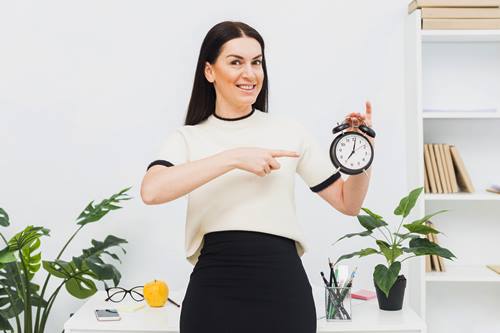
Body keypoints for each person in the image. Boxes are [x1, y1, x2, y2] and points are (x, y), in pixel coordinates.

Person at [140, 21, 373, 333]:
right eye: (236, 62)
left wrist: (361, 156)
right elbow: (152, 191)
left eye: (257, 62)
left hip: (283, 290)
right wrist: (234, 157)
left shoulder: (290, 131)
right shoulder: (187, 138)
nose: (249, 74)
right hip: (214, 291)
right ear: (209, 71)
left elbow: (349, 203)